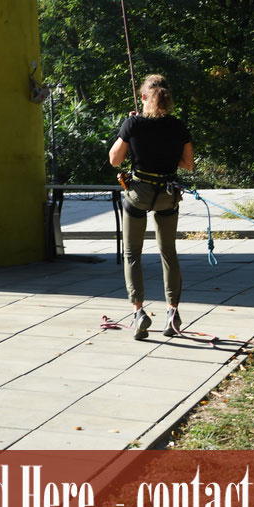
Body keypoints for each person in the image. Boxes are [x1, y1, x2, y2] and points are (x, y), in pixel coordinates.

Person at [108, 74, 194, 340]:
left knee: (133, 253)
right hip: (167, 194)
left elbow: (114, 159)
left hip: (139, 194)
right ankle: (172, 312)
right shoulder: (178, 127)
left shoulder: (133, 123)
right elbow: (188, 163)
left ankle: (138, 312)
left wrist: (132, 133)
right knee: (168, 251)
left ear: (144, 97)